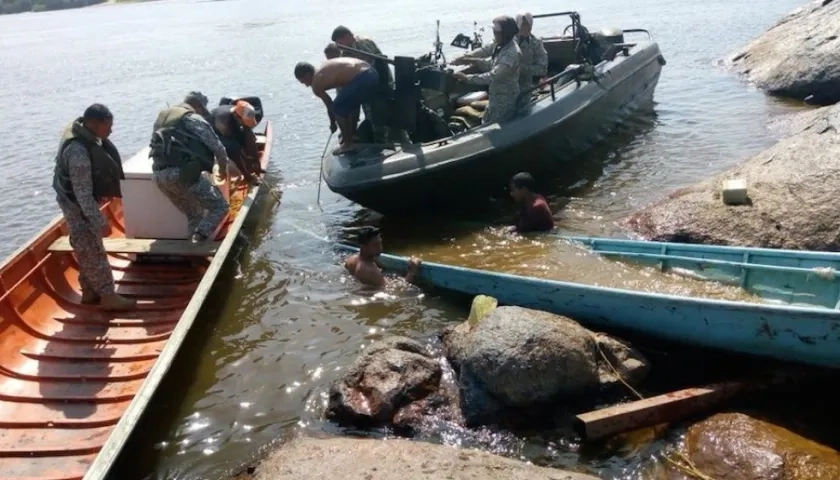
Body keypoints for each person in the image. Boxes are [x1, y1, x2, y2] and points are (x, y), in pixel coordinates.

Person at [52, 104, 136, 310]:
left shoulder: (82, 136)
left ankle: (89, 291)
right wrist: (99, 220)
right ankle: (108, 296)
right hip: (78, 208)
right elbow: (82, 193)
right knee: (93, 249)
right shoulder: (78, 151)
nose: (110, 131)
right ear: (94, 124)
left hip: (75, 204)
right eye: (108, 126)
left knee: (85, 248)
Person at [149, 100, 230, 243]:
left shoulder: (163, 119)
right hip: (182, 175)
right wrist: (223, 170)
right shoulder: (193, 118)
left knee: (194, 214)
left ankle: (191, 248)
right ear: (197, 106)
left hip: (159, 176)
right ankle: (199, 238)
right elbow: (219, 149)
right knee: (220, 206)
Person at [294, 58, 380, 154]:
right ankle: (353, 135)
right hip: (372, 72)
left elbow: (330, 105)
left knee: (337, 107)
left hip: (362, 77)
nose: (306, 85)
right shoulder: (324, 68)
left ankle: (348, 144)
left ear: (308, 75)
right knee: (349, 104)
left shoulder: (316, 83)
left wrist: (332, 123)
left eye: (303, 81)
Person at [451, 16, 521, 124]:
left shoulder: (511, 54)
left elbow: (493, 76)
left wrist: (467, 78)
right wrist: (467, 59)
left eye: (496, 32)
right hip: (495, 98)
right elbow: (486, 54)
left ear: (505, 34)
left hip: (505, 101)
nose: (494, 34)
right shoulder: (501, 44)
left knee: (491, 126)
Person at [344, 227, 421, 288]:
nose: (380, 248)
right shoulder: (370, 270)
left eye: (380, 243)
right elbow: (398, 289)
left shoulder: (351, 259)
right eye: (375, 245)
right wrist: (412, 271)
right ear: (363, 246)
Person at [211, 100, 262, 182]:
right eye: (243, 122)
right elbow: (233, 147)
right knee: (234, 148)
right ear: (236, 116)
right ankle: (246, 175)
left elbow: (248, 134)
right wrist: (247, 174)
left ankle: (252, 163)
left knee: (249, 136)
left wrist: (256, 161)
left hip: (231, 125)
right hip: (215, 133)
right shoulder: (223, 122)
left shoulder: (238, 112)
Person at [514, 13, 548, 92]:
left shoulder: (536, 43)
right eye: (522, 24)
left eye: (527, 24)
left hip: (529, 84)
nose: (525, 27)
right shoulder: (509, 42)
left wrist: (522, 69)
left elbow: (543, 69)